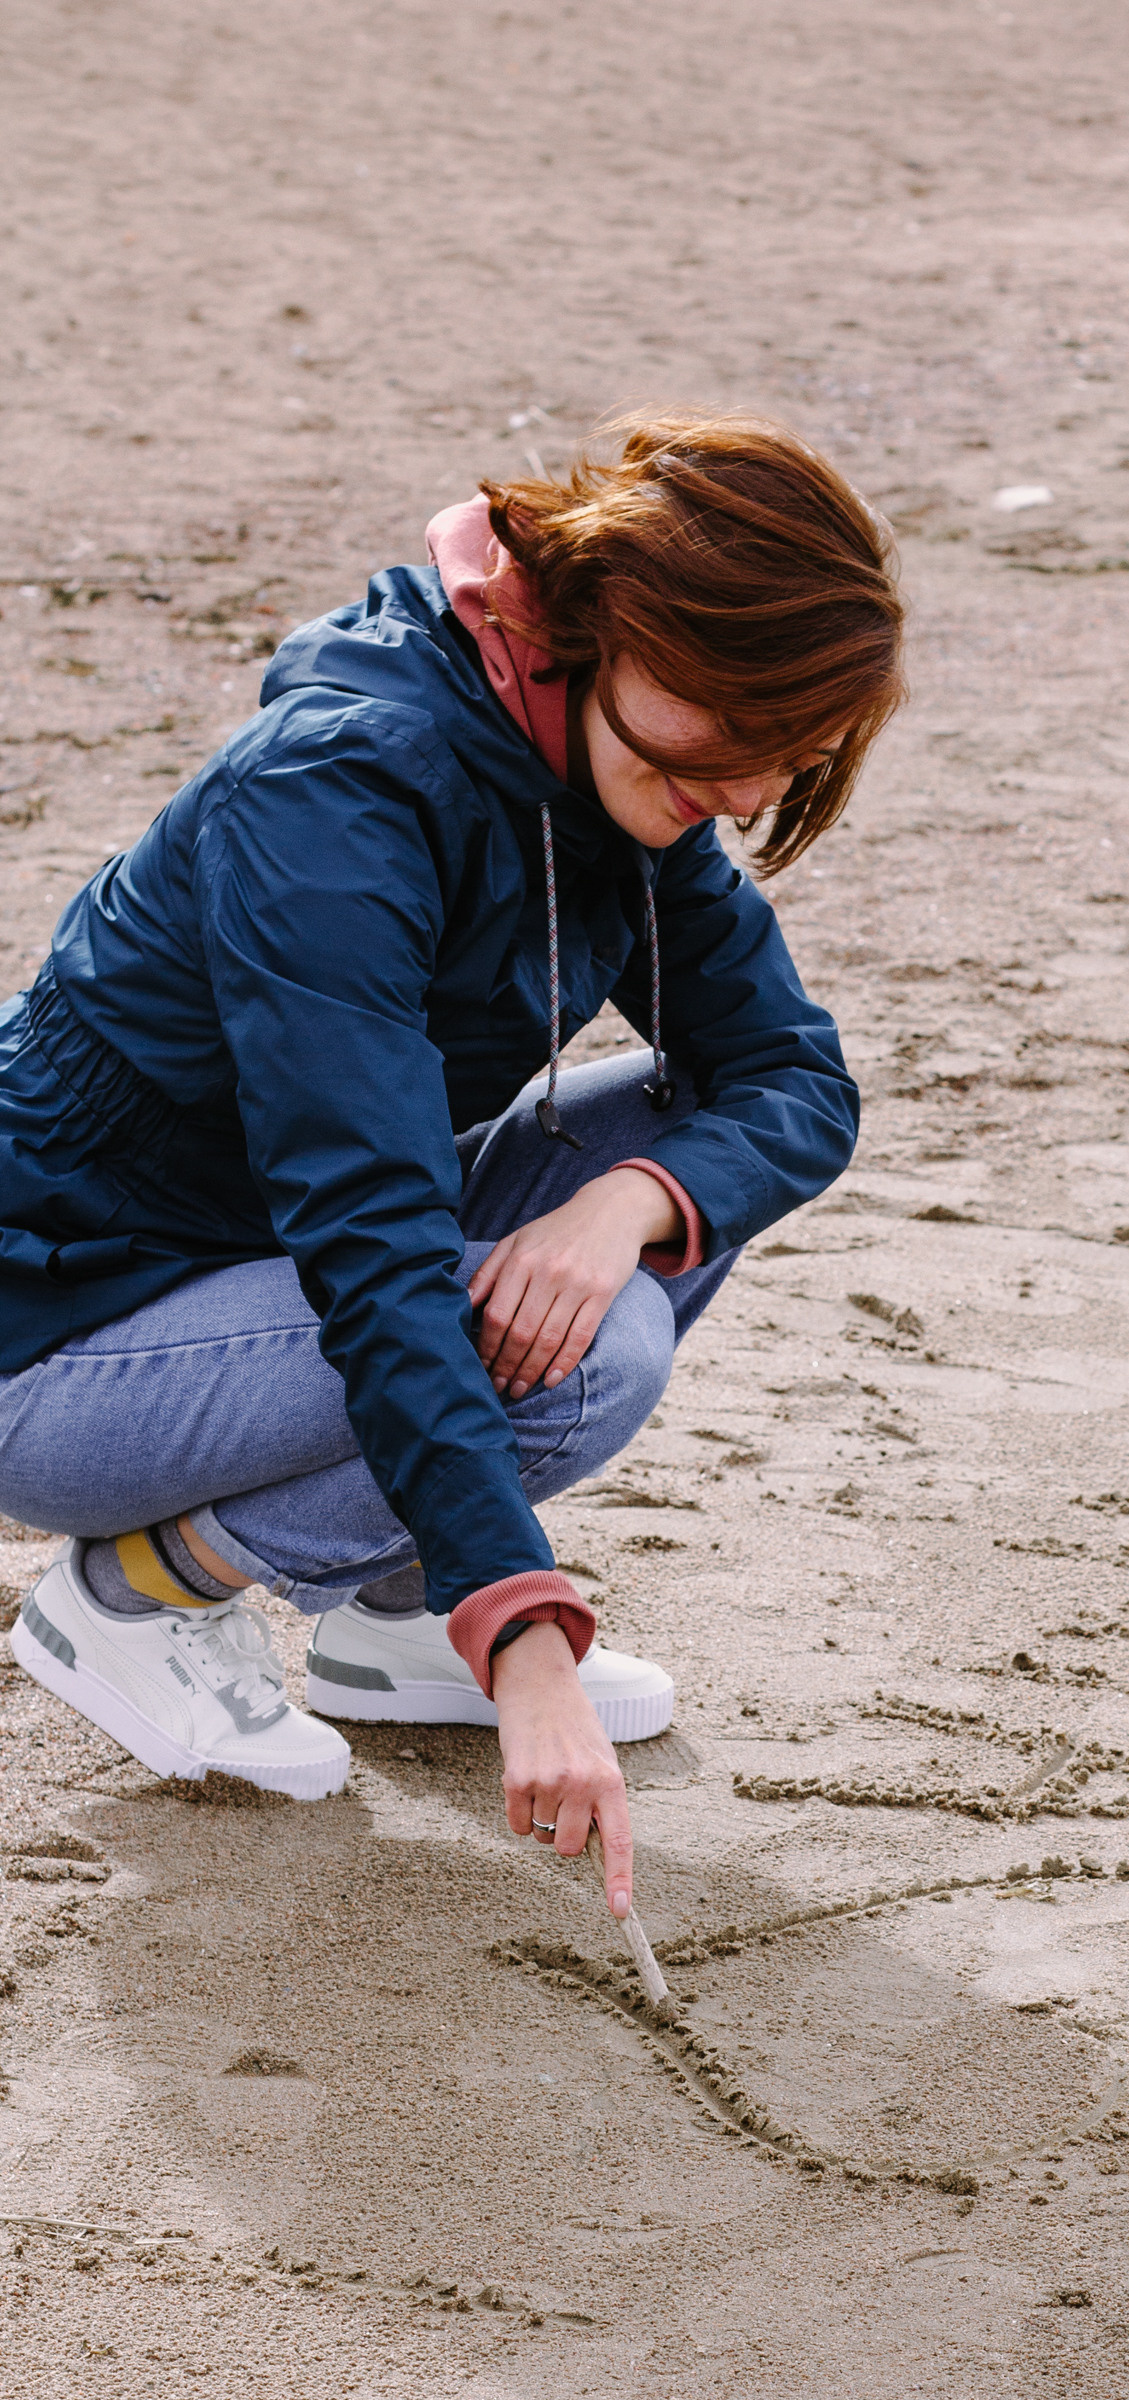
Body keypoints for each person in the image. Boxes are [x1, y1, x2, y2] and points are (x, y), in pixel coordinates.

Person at [0, 410, 904, 1920]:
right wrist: (529, 1637)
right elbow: (372, 1239)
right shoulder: (335, 797)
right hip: (65, 1336)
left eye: (785, 758)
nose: (747, 795)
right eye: (733, 737)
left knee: (666, 1173)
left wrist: (628, 1203)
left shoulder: (607, 757)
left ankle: (398, 1613)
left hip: (260, 1276)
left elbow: (798, 1081)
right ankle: (140, 1599)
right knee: (586, 1355)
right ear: (613, 621)